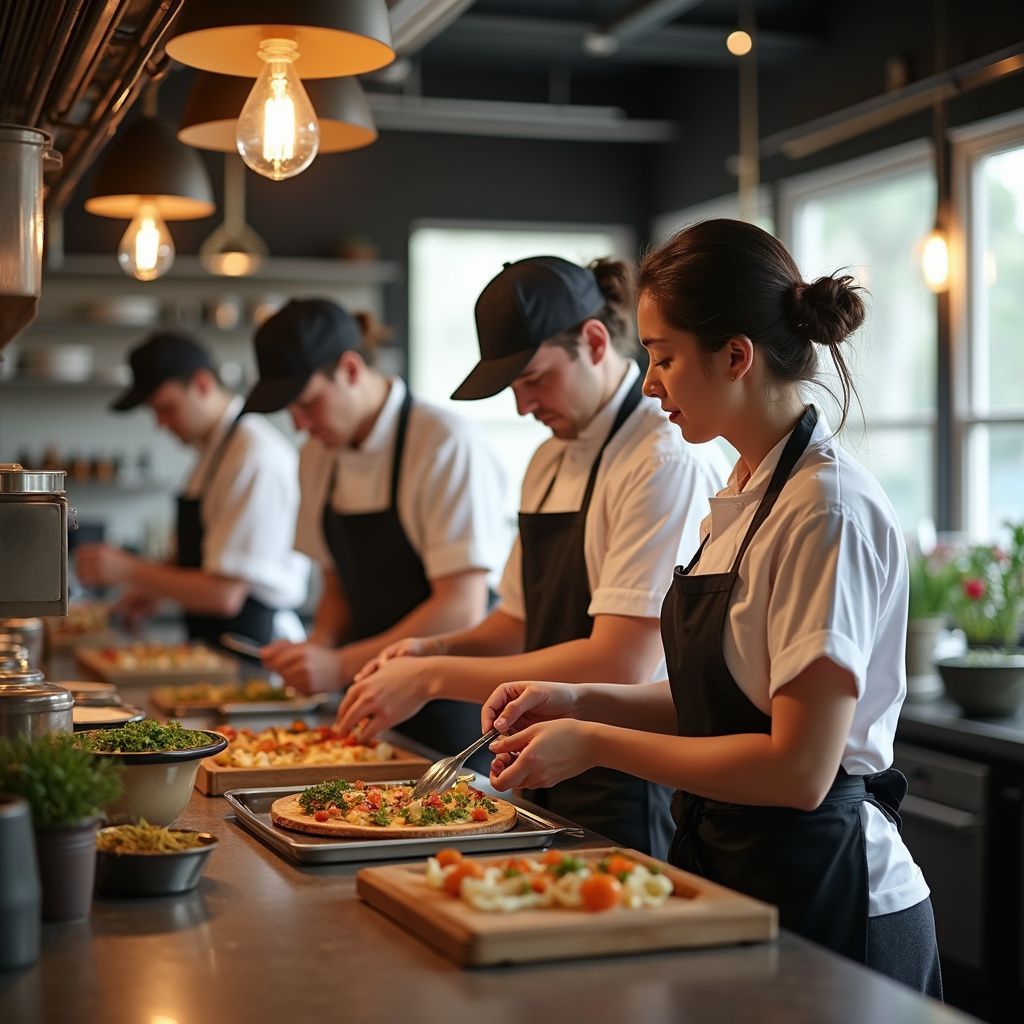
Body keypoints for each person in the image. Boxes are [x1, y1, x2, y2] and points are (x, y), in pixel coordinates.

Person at [478, 220, 941, 996]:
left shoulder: (824, 510)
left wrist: (596, 740)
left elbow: (797, 768)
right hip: (739, 869)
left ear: (735, 356)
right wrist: (578, 698)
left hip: (837, 896)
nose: (649, 380)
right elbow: (725, 704)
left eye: (662, 357)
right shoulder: (740, 494)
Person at [336, 256, 730, 855]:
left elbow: (619, 661)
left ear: (594, 342)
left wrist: (434, 677)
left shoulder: (662, 458)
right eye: (512, 387)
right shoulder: (550, 457)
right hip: (537, 763)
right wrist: (435, 647)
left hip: (624, 777)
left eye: (534, 378)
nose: (523, 405)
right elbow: (516, 622)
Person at [242, 298, 508, 758]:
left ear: (349, 369)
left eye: (307, 404)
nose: (300, 425)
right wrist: (316, 649)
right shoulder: (317, 455)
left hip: (448, 706)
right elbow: (336, 585)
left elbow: (461, 606)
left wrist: (339, 662)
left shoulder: (443, 442)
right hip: (364, 701)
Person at [76, 331, 308, 648]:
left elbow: (225, 595)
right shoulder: (214, 452)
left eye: (167, 408)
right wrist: (154, 592)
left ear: (202, 384)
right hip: (215, 643)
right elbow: (202, 559)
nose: (160, 424)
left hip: (256, 647)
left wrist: (130, 570)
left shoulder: (254, 456)